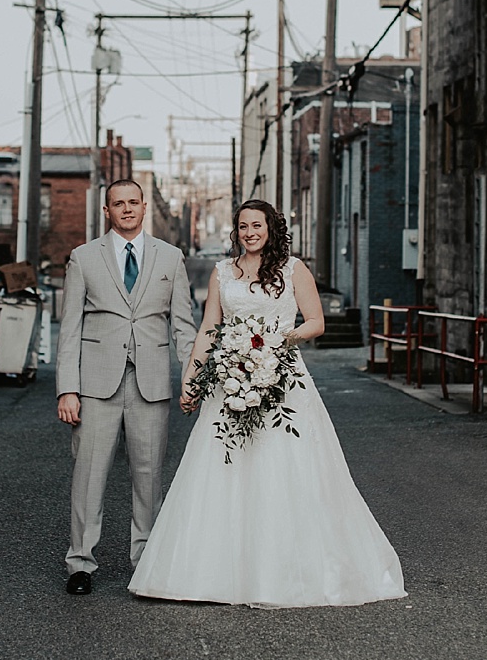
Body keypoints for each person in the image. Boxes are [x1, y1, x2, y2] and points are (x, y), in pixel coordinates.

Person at [129, 200, 406, 607]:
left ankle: (283, 569)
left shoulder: (294, 269)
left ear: (272, 228)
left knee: (286, 466)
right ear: (236, 232)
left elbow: (315, 321)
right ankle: (212, 573)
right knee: (225, 465)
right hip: (231, 376)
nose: (249, 233)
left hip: (283, 377)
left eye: (257, 225)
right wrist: (191, 376)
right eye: (242, 227)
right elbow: (209, 327)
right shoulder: (224, 273)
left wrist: (275, 343)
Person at [54, 179, 199, 595]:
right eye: (119, 204)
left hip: (151, 383)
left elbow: (183, 326)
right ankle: (80, 563)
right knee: (89, 475)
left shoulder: (170, 258)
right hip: (96, 383)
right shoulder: (84, 258)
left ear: (144, 206)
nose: (127, 209)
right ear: (107, 211)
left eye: (134, 202)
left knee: (149, 475)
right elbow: (70, 329)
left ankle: (146, 560)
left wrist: (191, 378)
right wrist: (67, 389)